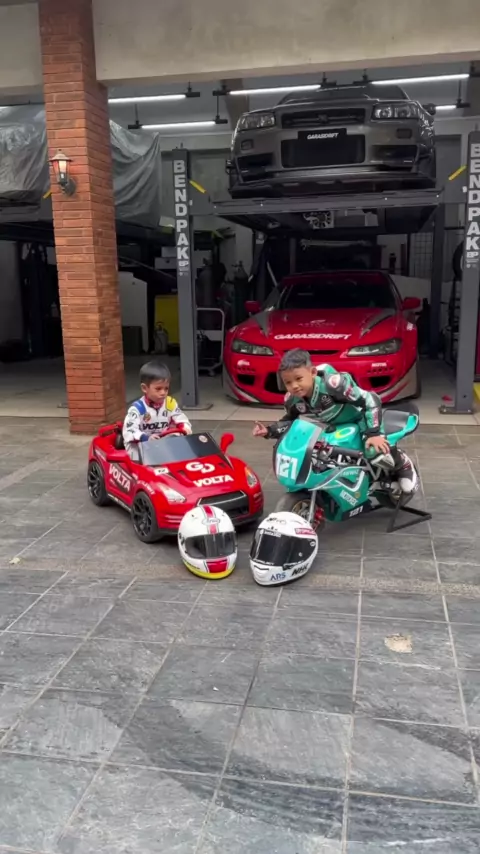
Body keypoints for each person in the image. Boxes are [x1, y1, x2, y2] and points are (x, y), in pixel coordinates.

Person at [252, 348, 417, 494]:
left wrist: (373, 433)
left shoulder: (334, 385)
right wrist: (269, 431)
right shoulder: (292, 399)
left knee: (374, 451)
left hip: (361, 419)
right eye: (288, 382)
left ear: (313, 372)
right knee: (321, 459)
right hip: (333, 427)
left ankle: (403, 464)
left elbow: (370, 399)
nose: (294, 386)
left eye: (299, 378)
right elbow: (290, 421)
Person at [123, 360, 192, 457]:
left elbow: (184, 422)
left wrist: (182, 431)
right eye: (158, 389)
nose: (163, 393)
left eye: (166, 388)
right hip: (142, 450)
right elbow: (129, 431)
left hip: (164, 446)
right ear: (144, 388)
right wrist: (145, 438)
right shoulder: (137, 408)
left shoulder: (170, 404)